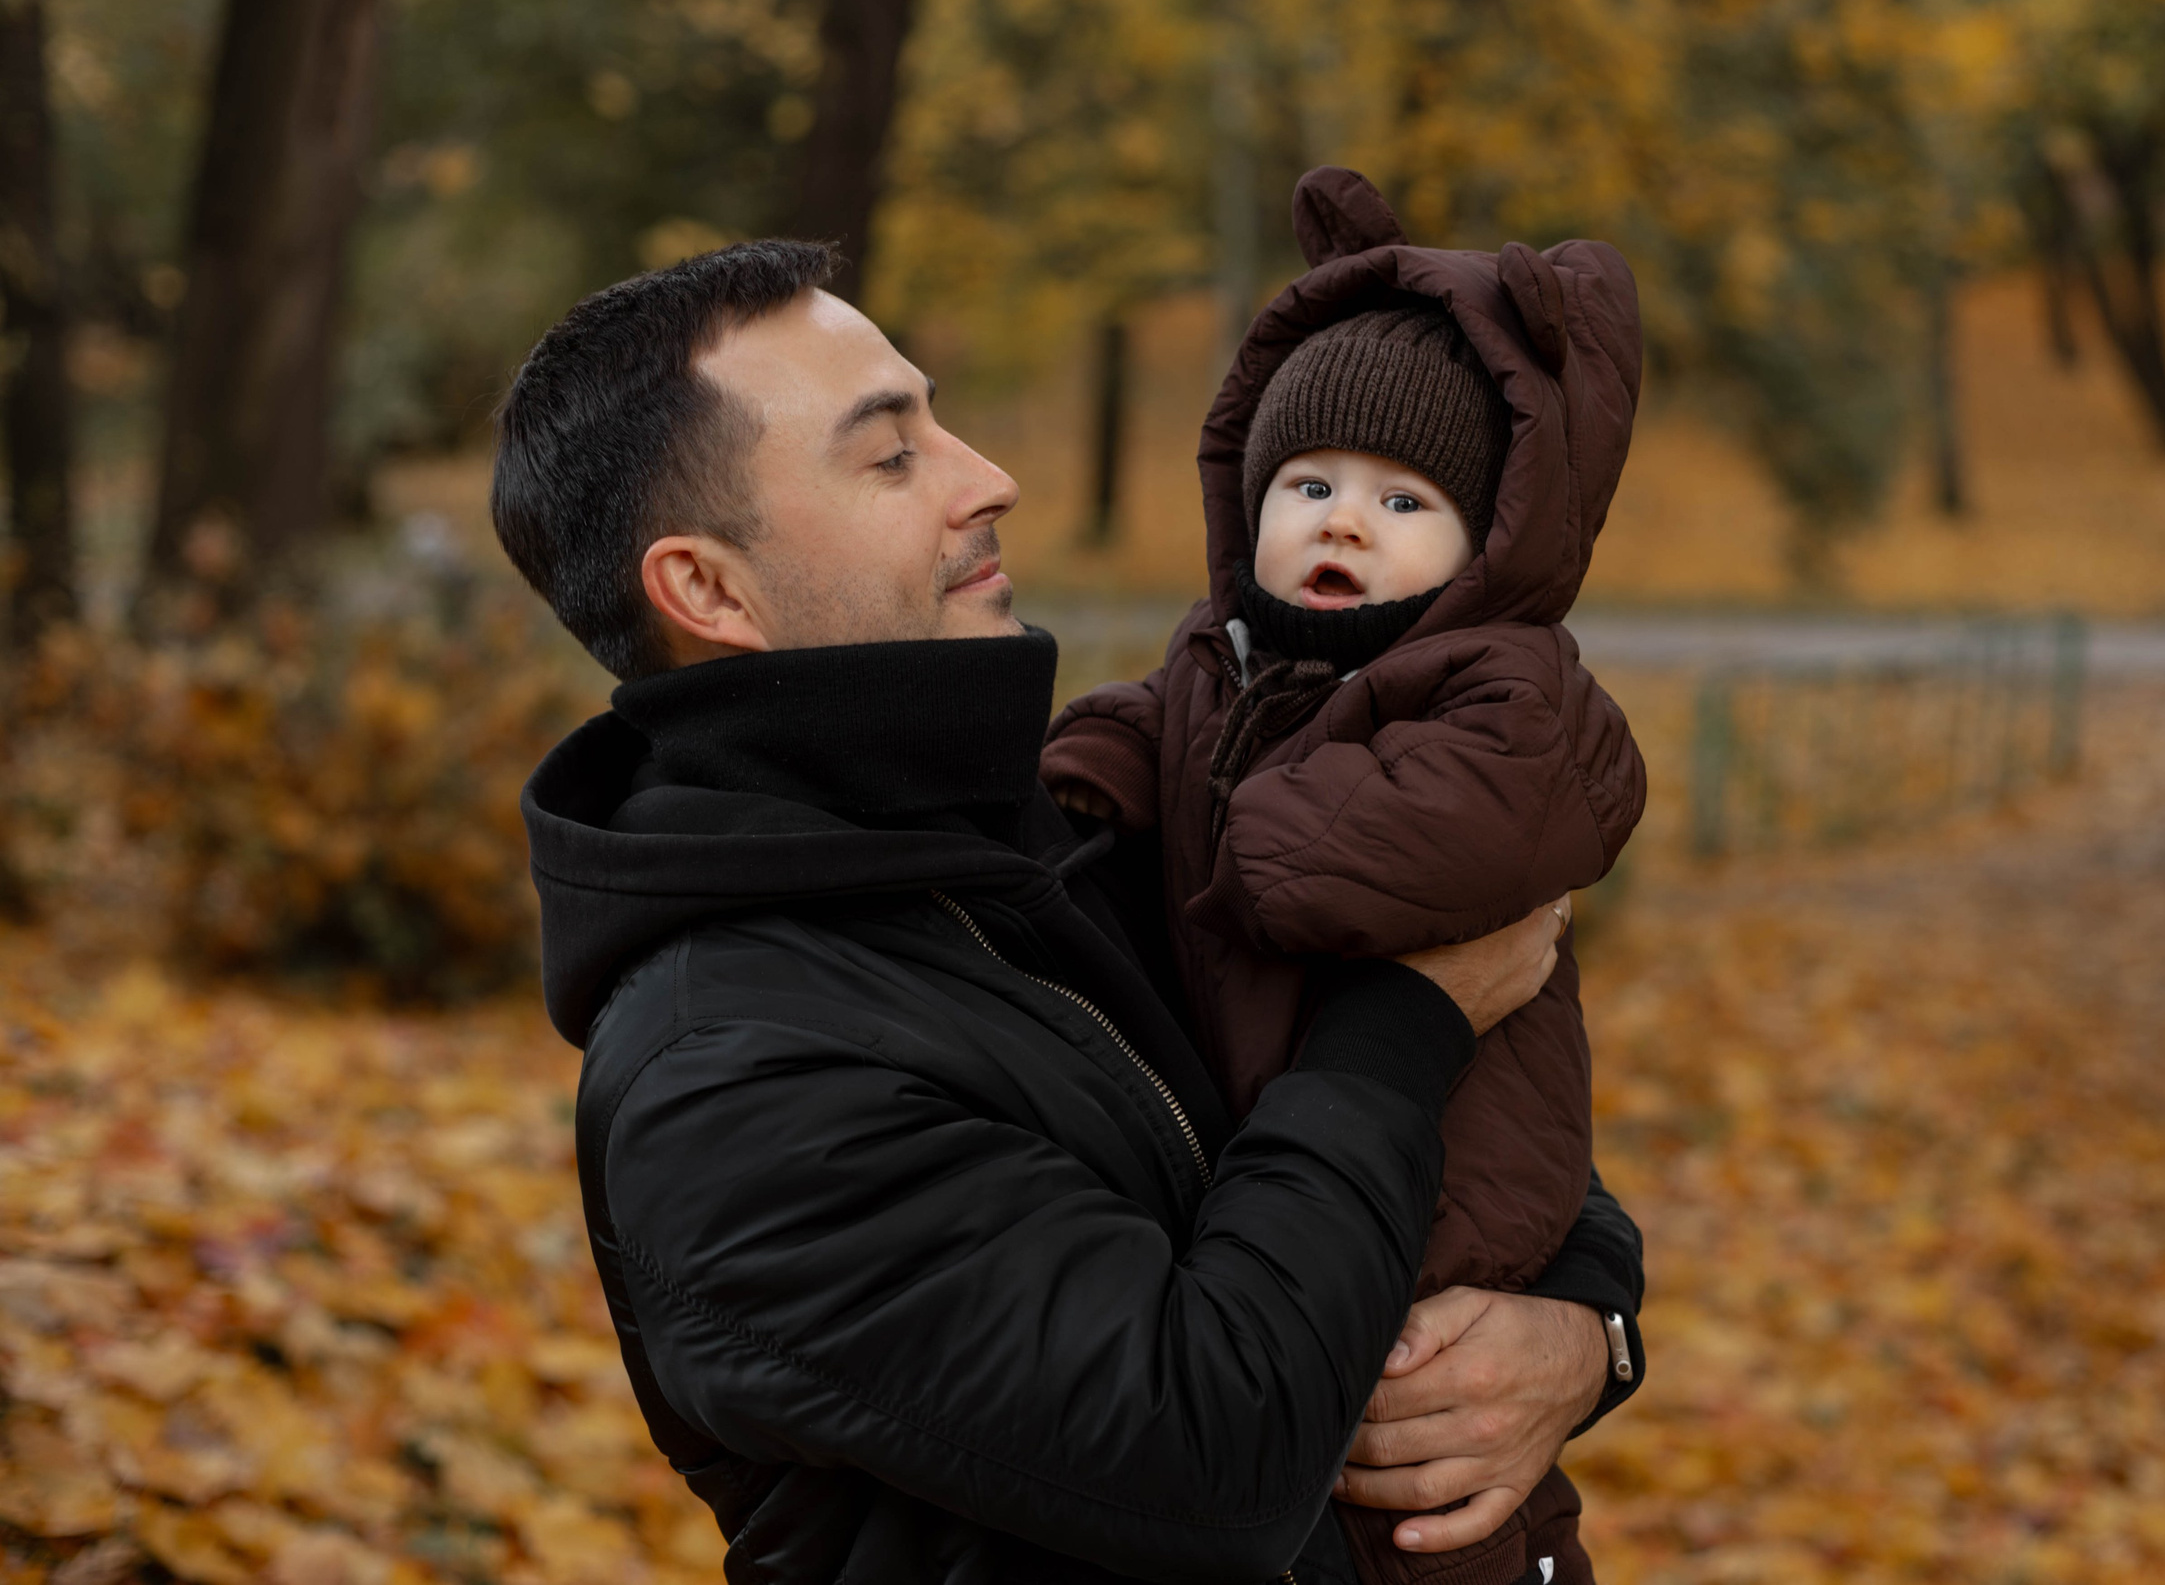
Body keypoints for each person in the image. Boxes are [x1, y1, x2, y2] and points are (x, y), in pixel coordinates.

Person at [491, 236, 1648, 1584]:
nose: (991, 479)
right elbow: (1215, 1454)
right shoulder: (734, 1082)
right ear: (706, 589)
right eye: (891, 454)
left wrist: (1586, 1323)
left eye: (944, 423)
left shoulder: (1037, 830)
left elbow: (1437, 1117)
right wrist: (1408, 1016)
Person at [1041, 168, 1645, 1585]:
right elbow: (1155, 726)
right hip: (1292, 1163)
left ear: (1493, 539)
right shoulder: (1230, 659)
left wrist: (1256, 827)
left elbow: (1417, 838)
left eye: (1402, 498)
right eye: (1307, 486)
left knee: (1425, 1473)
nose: (1342, 522)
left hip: (1455, 1176)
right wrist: (1094, 774)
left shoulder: (1508, 688)